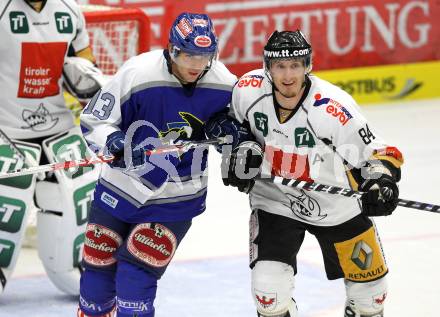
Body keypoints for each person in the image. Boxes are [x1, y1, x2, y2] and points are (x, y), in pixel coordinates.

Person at [205, 30, 403, 317]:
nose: (288, 75)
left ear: (308, 65)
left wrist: (380, 181)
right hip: (276, 202)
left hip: (338, 208)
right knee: (268, 296)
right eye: (280, 66)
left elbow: (380, 154)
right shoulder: (247, 90)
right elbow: (227, 126)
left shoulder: (333, 108)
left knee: (370, 300)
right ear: (267, 67)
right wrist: (236, 153)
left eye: (296, 65)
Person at [77, 12, 237, 317]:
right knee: (96, 274)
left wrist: (231, 135)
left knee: (135, 279)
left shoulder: (225, 85)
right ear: (172, 49)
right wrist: (115, 142)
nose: (195, 64)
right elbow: (95, 118)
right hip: (119, 189)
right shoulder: (137, 72)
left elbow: (242, 135)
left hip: (176, 200)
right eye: (188, 54)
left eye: (204, 56)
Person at [0, 0, 103, 295]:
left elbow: (86, 64)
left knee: (81, 199)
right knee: (7, 204)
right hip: (5, 129)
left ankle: (79, 268)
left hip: (59, 125)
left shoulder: (69, 10)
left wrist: (87, 81)